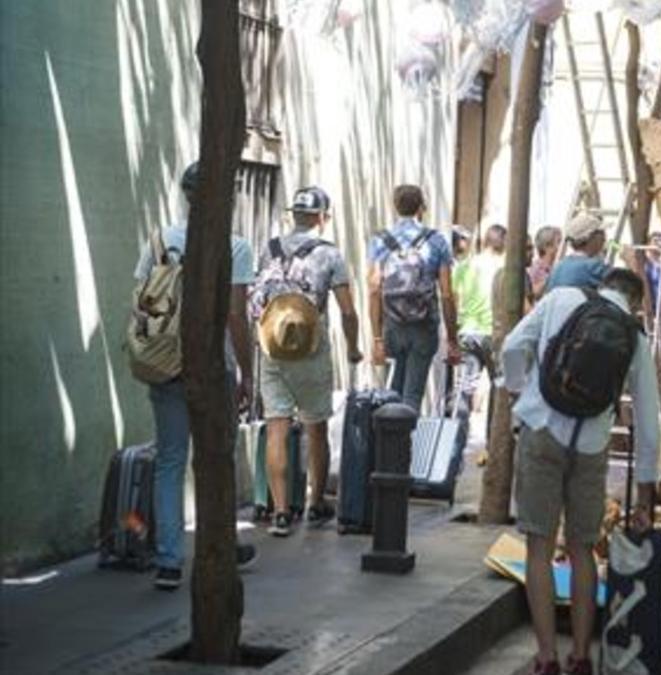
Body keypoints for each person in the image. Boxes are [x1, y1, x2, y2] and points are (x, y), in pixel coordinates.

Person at [502, 268, 661, 675]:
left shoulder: (561, 299)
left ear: (603, 284)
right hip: (591, 446)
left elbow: (512, 345)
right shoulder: (634, 336)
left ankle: (545, 657)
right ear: (636, 302)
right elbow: (649, 420)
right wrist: (645, 493)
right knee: (583, 549)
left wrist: (520, 389)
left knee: (539, 548)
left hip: (541, 431)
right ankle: (580, 657)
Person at [134, 163, 257, 589]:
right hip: (213, 365)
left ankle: (168, 560)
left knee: (170, 461)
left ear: (186, 195)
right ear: (223, 195)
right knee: (215, 458)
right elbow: (237, 317)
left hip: (166, 363)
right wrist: (248, 372)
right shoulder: (235, 246)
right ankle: (218, 544)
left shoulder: (159, 240)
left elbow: (141, 303)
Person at [258, 186, 362, 537]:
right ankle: (316, 502)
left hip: (272, 347)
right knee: (316, 427)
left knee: (277, 427)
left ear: (294, 215)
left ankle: (281, 512)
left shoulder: (269, 249)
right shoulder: (329, 255)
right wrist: (353, 347)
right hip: (311, 350)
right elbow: (348, 310)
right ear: (322, 217)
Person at [369, 185, 460, 409]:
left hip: (392, 324)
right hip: (424, 325)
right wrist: (452, 338)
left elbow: (373, 289)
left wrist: (377, 339)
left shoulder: (381, 240)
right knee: (413, 393)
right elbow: (447, 294)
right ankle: (406, 442)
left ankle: (388, 441)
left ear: (395, 207)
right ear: (422, 208)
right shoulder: (437, 241)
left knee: (392, 390)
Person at [449, 226, 493, 428]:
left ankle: (454, 447)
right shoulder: (505, 267)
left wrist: (452, 336)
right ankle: (494, 447)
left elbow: (453, 301)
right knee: (500, 391)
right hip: (494, 335)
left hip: (467, 333)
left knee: (464, 391)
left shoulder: (463, 267)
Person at [543, 213, 609, 293]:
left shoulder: (559, 266)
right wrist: (628, 258)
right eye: (601, 233)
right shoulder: (593, 267)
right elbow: (624, 283)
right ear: (591, 238)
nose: (605, 237)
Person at [526, 225, 562, 303]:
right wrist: (551, 277)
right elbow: (534, 292)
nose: (560, 247)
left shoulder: (556, 266)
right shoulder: (536, 268)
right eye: (558, 242)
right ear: (547, 246)